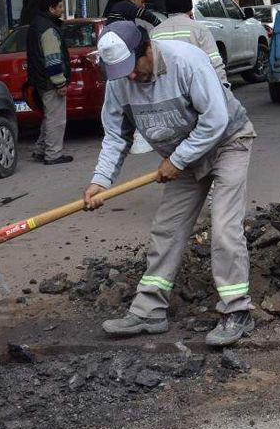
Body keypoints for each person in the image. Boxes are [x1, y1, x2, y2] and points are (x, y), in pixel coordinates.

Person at [85, 21, 257, 347]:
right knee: (167, 228)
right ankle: (149, 310)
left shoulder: (187, 61)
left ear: (148, 48)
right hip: (183, 156)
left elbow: (215, 120)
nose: (130, 78)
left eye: (133, 67)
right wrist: (101, 180)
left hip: (228, 142)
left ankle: (237, 311)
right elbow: (116, 135)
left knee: (224, 227)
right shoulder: (119, 81)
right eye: (121, 72)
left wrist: (177, 160)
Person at [150, 0, 228, 86]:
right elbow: (214, 62)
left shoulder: (154, 33)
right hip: (195, 87)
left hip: (166, 90)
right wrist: (223, 86)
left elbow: (152, 68)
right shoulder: (199, 29)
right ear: (189, 4)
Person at [27, 0, 73, 165]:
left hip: (40, 80)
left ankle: (40, 150)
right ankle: (53, 154)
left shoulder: (36, 24)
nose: (62, 9)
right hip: (50, 82)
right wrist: (60, 82)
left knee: (50, 116)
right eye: (60, 6)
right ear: (51, 9)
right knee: (56, 119)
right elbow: (52, 58)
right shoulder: (48, 29)